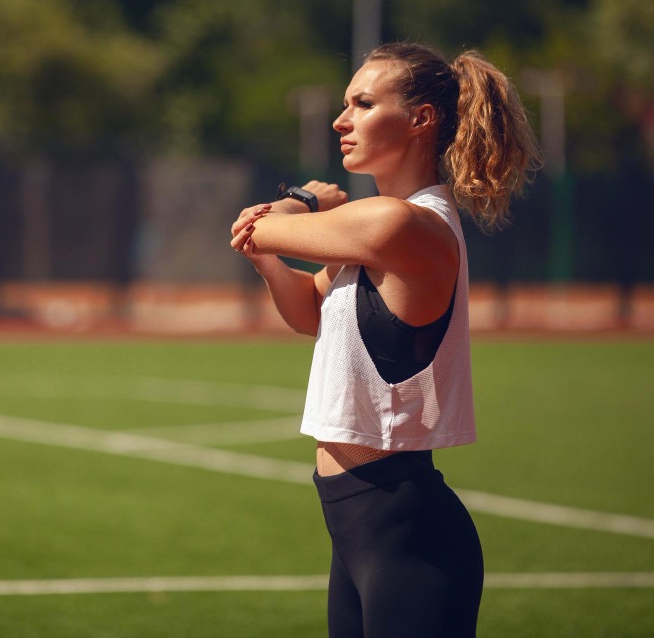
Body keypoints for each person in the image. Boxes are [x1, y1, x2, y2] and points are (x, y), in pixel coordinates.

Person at [229, 42, 541, 638]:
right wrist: (268, 258)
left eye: (363, 103)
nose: (340, 120)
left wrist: (299, 203)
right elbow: (306, 312)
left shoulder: (400, 223)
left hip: (408, 535)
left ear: (421, 119)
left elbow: (263, 223)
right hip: (357, 533)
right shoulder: (377, 227)